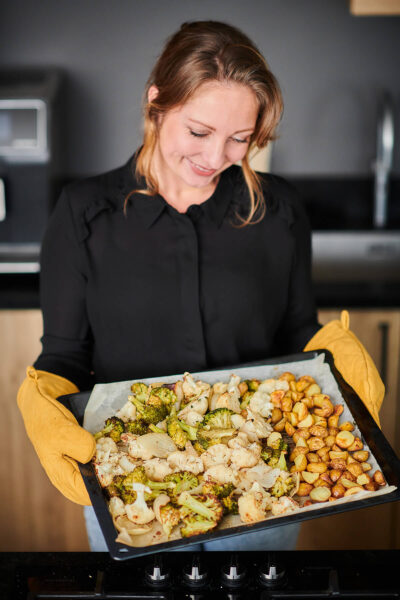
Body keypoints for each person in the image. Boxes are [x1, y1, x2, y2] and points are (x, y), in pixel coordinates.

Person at [17, 20, 384, 552]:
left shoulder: (277, 210)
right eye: (198, 132)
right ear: (156, 102)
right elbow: (67, 357)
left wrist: (328, 352)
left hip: (263, 491)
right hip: (135, 493)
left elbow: (296, 328)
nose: (216, 159)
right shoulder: (83, 214)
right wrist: (43, 397)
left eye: (241, 139)